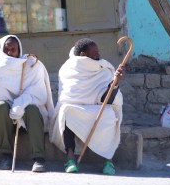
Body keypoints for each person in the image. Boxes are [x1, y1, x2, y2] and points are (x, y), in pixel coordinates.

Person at [50, 38, 125, 175]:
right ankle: (70, 159)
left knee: (109, 113)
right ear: (83, 55)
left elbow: (107, 100)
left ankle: (108, 160)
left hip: (98, 108)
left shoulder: (103, 68)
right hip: (76, 109)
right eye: (94, 53)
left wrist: (115, 82)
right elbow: (66, 98)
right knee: (65, 110)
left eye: (98, 52)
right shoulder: (68, 69)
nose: (98, 55)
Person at [0, 35, 54, 172]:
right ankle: (6, 155)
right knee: (0, 107)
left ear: (19, 49)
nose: (10, 53)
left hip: (28, 107)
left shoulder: (32, 64)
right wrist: (13, 108)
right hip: (7, 115)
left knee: (32, 109)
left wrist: (20, 103)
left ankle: (38, 158)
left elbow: (39, 92)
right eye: (7, 49)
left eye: (14, 49)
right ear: (1, 50)